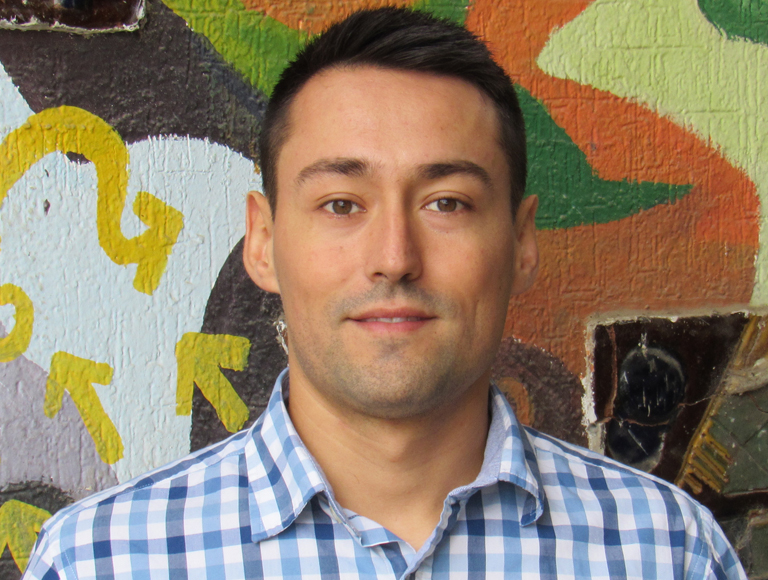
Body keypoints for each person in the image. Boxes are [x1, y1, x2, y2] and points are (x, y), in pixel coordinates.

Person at [23, 7, 745, 579]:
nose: (394, 259)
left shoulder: (665, 551)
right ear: (264, 241)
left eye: (447, 203)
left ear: (522, 243)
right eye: (341, 204)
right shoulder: (101, 561)